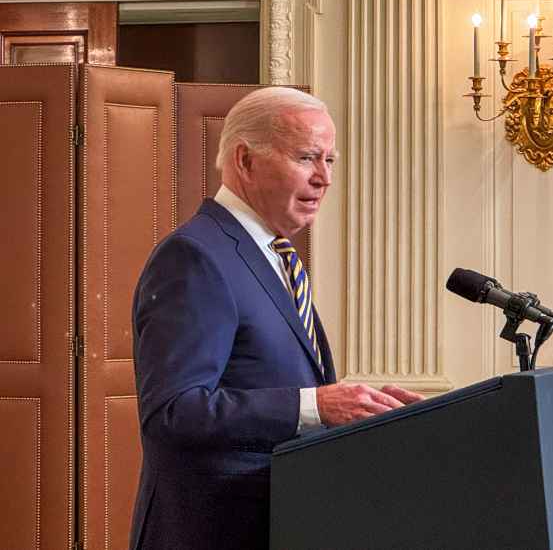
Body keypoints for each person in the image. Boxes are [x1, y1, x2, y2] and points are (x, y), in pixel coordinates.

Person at [129, 87, 424, 550]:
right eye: (308, 157)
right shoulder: (195, 256)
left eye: (331, 160)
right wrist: (316, 406)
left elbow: (265, 378)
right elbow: (173, 412)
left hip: (280, 521)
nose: (323, 178)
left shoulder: (273, 254)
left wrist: (357, 404)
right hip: (214, 531)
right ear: (245, 161)